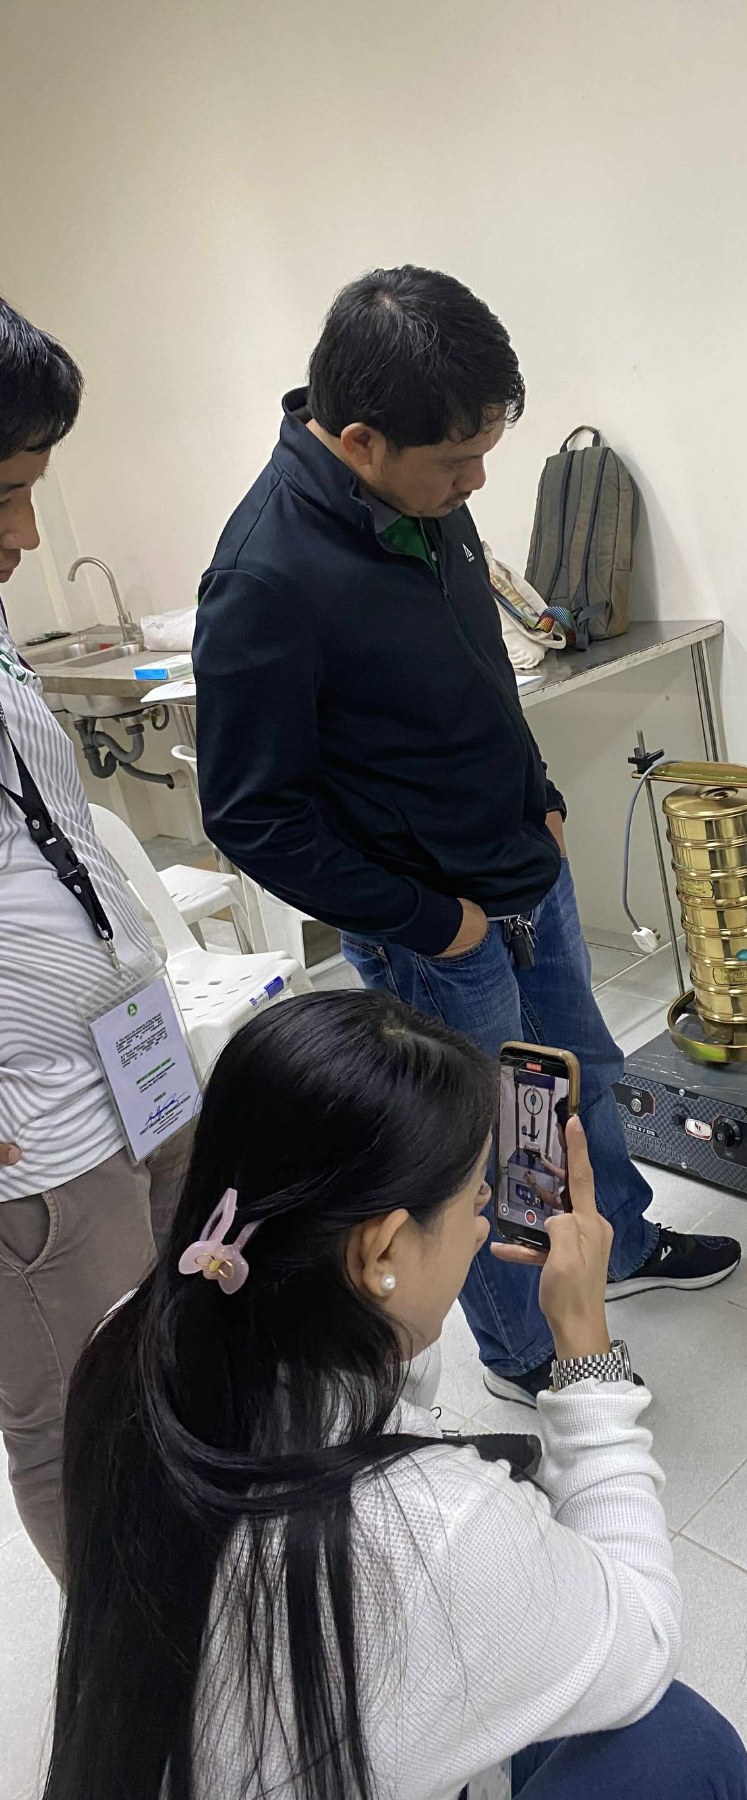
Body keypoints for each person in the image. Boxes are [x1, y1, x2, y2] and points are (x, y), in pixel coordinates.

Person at [193, 266, 739, 1407]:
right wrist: (430, 922)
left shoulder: (429, 496)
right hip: (435, 925)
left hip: (523, 866)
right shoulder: (264, 575)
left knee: (583, 1079)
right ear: (360, 442)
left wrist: (539, 789)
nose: (477, 479)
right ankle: (526, 1353)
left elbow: (478, 666)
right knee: (491, 1149)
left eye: (485, 451)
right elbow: (251, 816)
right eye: (457, 459)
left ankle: (621, 1246)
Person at [43, 990, 747, 1800]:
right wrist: (584, 1345)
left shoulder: (132, 1343)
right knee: (684, 1746)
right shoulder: (439, 1528)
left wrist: (384, 1308)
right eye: (473, 1200)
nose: (485, 1224)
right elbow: (643, 1640)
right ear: (380, 1248)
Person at [0, 296, 192, 1577]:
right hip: (35, 1128)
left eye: (31, 490)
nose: (25, 536)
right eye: (2, 496)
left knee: (185, 1327)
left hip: (130, 1048)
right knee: (82, 1417)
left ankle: (203, 1577)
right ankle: (139, 1659)